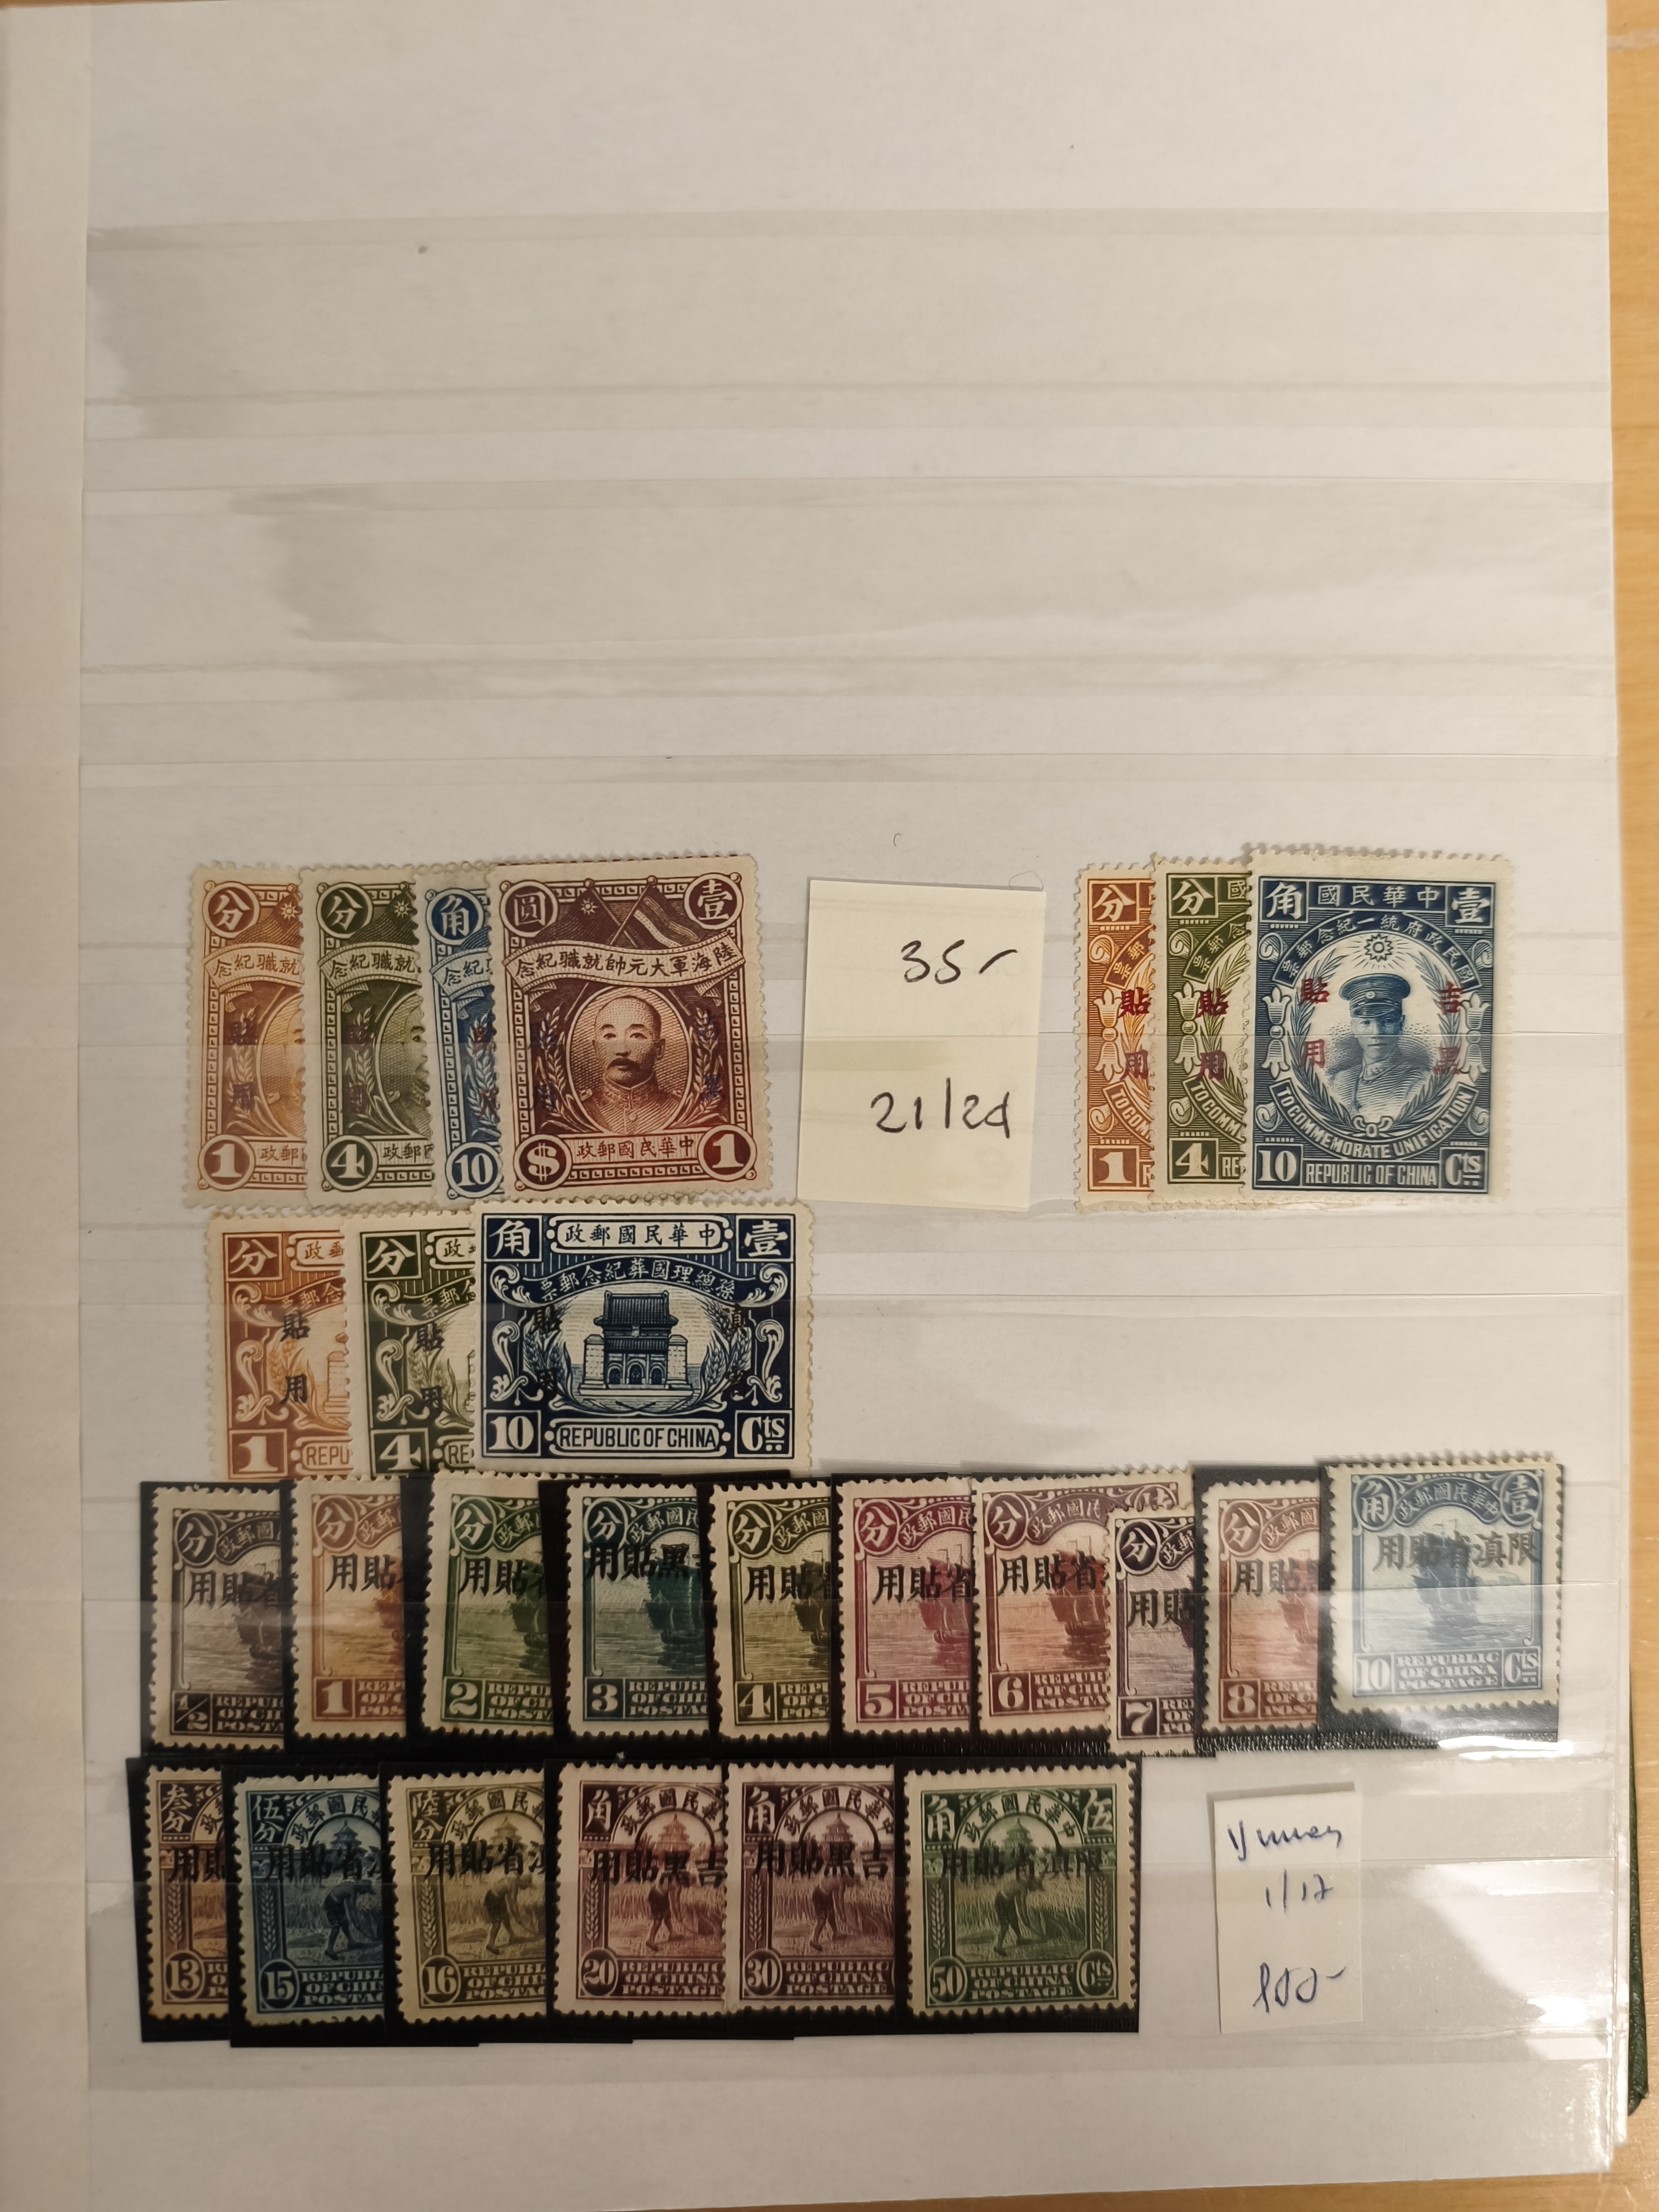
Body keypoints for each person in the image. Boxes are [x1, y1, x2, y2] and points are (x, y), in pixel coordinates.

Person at [1324, 973, 1428, 1125]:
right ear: (1354, 1028)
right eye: (1366, 1023)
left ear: (1401, 1025)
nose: (1377, 1033)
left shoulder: (1420, 1082)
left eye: (1387, 1021)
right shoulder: (1341, 1081)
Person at [579, 992, 679, 1135]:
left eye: (637, 1036)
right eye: (609, 1036)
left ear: (659, 1049)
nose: (622, 1050)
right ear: (596, 1049)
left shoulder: (681, 1108)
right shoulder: (579, 1110)